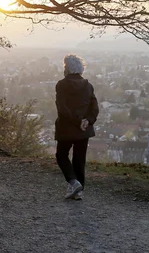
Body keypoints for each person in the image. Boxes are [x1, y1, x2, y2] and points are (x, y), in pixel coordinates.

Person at [55, 54, 99, 200]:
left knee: (61, 155)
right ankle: (79, 191)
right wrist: (87, 121)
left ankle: (73, 182)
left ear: (67, 68)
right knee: (79, 159)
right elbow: (94, 107)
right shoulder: (88, 85)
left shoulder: (61, 85)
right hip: (84, 130)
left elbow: (62, 108)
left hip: (66, 128)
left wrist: (76, 121)